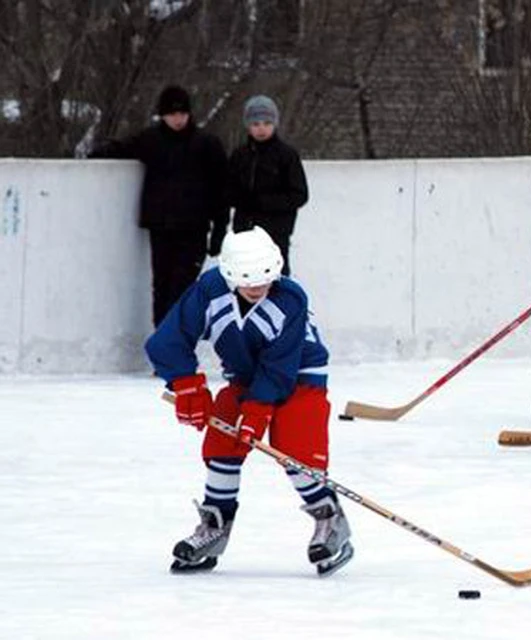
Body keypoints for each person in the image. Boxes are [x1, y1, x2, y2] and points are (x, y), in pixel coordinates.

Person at [144, 226, 353, 576]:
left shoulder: (290, 299)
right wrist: (186, 385)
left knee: (295, 446)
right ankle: (215, 527)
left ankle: (330, 519)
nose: (258, 288)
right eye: (248, 281)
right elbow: (167, 340)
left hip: (300, 373)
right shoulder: (209, 291)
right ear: (229, 274)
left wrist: (258, 409)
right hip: (243, 377)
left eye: (265, 279)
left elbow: (280, 364)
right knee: (222, 441)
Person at [91, 84, 229, 326]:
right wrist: (97, 153)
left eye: (182, 114)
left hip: (194, 228)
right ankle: (164, 345)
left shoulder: (207, 145)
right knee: (162, 286)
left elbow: (221, 190)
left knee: (182, 288)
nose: (177, 119)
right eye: (172, 114)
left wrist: (219, 230)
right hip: (162, 226)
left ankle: (175, 343)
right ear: (163, 115)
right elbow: (123, 147)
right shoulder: (151, 140)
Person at [225, 95, 308, 275]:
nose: (261, 129)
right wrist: (241, 200)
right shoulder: (240, 155)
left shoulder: (287, 155)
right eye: (256, 124)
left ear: (274, 124)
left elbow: (299, 194)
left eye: (266, 123)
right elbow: (227, 189)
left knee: (277, 279)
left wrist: (265, 202)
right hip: (245, 232)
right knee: (245, 278)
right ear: (248, 126)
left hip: (276, 232)